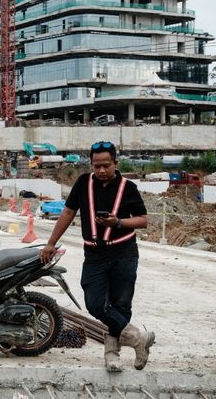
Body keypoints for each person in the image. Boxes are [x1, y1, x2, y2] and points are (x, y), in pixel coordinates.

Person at [39, 141, 154, 372]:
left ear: (115, 163)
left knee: (121, 305)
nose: (101, 171)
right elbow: (69, 212)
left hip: (124, 252)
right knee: (94, 304)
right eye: (96, 166)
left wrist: (118, 222)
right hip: (94, 254)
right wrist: (51, 243)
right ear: (91, 165)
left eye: (106, 165)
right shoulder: (83, 184)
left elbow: (143, 220)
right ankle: (138, 339)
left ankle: (111, 354)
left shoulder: (127, 187)